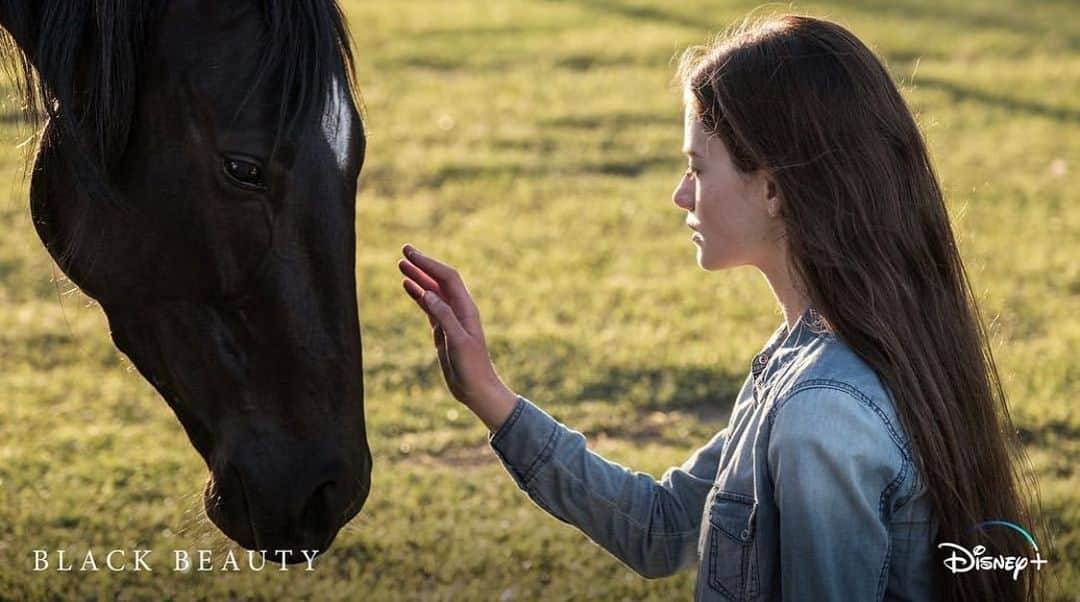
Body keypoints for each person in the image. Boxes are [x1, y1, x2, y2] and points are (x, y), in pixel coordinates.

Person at [398, 14, 1045, 602]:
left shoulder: (821, 411)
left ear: (772, 190)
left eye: (697, 170)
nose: (681, 196)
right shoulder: (809, 358)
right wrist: (487, 393)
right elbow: (663, 528)